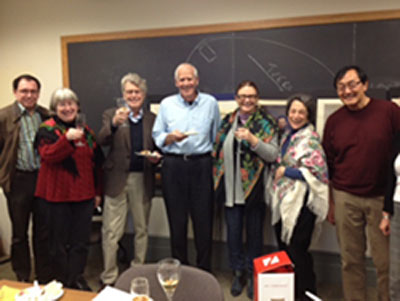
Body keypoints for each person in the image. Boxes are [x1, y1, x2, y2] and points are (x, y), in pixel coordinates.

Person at [322, 65, 400, 301]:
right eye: (341, 87)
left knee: (385, 261)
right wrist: (332, 203)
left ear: (365, 84)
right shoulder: (334, 121)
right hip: (346, 196)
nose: (348, 91)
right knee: (350, 259)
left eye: (353, 84)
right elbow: (329, 166)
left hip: (381, 199)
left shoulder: (389, 111)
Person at [152, 62, 221, 272]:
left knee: (203, 221)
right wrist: (169, 137)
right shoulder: (166, 104)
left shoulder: (210, 103)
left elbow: (216, 135)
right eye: (182, 79)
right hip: (173, 167)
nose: (186, 83)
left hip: (201, 165)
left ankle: (204, 271)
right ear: (176, 82)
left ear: (197, 80)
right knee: (177, 221)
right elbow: (157, 135)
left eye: (189, 78)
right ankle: (180, 269)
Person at [213, 80, 278, 299]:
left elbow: (272, 154)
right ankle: (238, 273)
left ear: (257, 98)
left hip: (254, 190)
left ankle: (253, 275)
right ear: (236, 98)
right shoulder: (227, 121)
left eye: (251, 96)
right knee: (232, 235)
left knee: (254, 235)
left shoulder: (266, 122)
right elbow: (217, 149)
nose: (246, 100)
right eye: (242, 96)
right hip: (231, 190)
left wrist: (252, 140)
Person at [34, 88, 103, 290]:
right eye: (62, 104)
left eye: (71, 103)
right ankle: (61, 282)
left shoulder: (87, 132)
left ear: (77, 106)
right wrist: (67, 140)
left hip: (83, 196)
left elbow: (97, 164)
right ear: (55, 108)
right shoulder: (46, 129)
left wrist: (98, 192)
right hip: (57, 197)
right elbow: (48, 156)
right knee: (58, 245)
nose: (67, 108)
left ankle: (76, 278)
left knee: (80, 242)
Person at [98, 73, 159, 287]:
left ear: (143, 94)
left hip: (142, 178)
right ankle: (109, 276)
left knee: (141, 229)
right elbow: (101, 140)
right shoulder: (111, 114)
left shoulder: (152, 118)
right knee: (111, 232)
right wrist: (114, 124)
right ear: (123, 95)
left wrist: (155, 158)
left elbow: (157, 146)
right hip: (116, 180)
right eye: (129, 92)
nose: (133, 95)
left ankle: (137, 270)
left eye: (137, 92)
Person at [272, 93, 329, 300]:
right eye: (292, 111)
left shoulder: (310, 140)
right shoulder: (289, 135)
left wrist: (286, 172)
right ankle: (291, 293)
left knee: (298, 250)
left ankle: (306, 294)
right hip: (286, 200)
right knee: (286, 249)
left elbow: (319, 173)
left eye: (301, 112)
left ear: (309, 115)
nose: (296, 116)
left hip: (303, 204)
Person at [0, 74, 51, 283]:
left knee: (44, 232)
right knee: (19, 234)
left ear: (38, 93)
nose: (29, 95)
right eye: (24, 91)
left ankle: (44, 274)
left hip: (42, 180)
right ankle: (22, 276)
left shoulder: (46, 115)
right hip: (18, 181)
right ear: (15, 92)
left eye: (33, 91)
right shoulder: (4, 117)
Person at [381, 131, 400, 300]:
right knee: (396, 272)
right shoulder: (398, 137)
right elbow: (390, 178)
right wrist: (386, 215)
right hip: (397, 206)